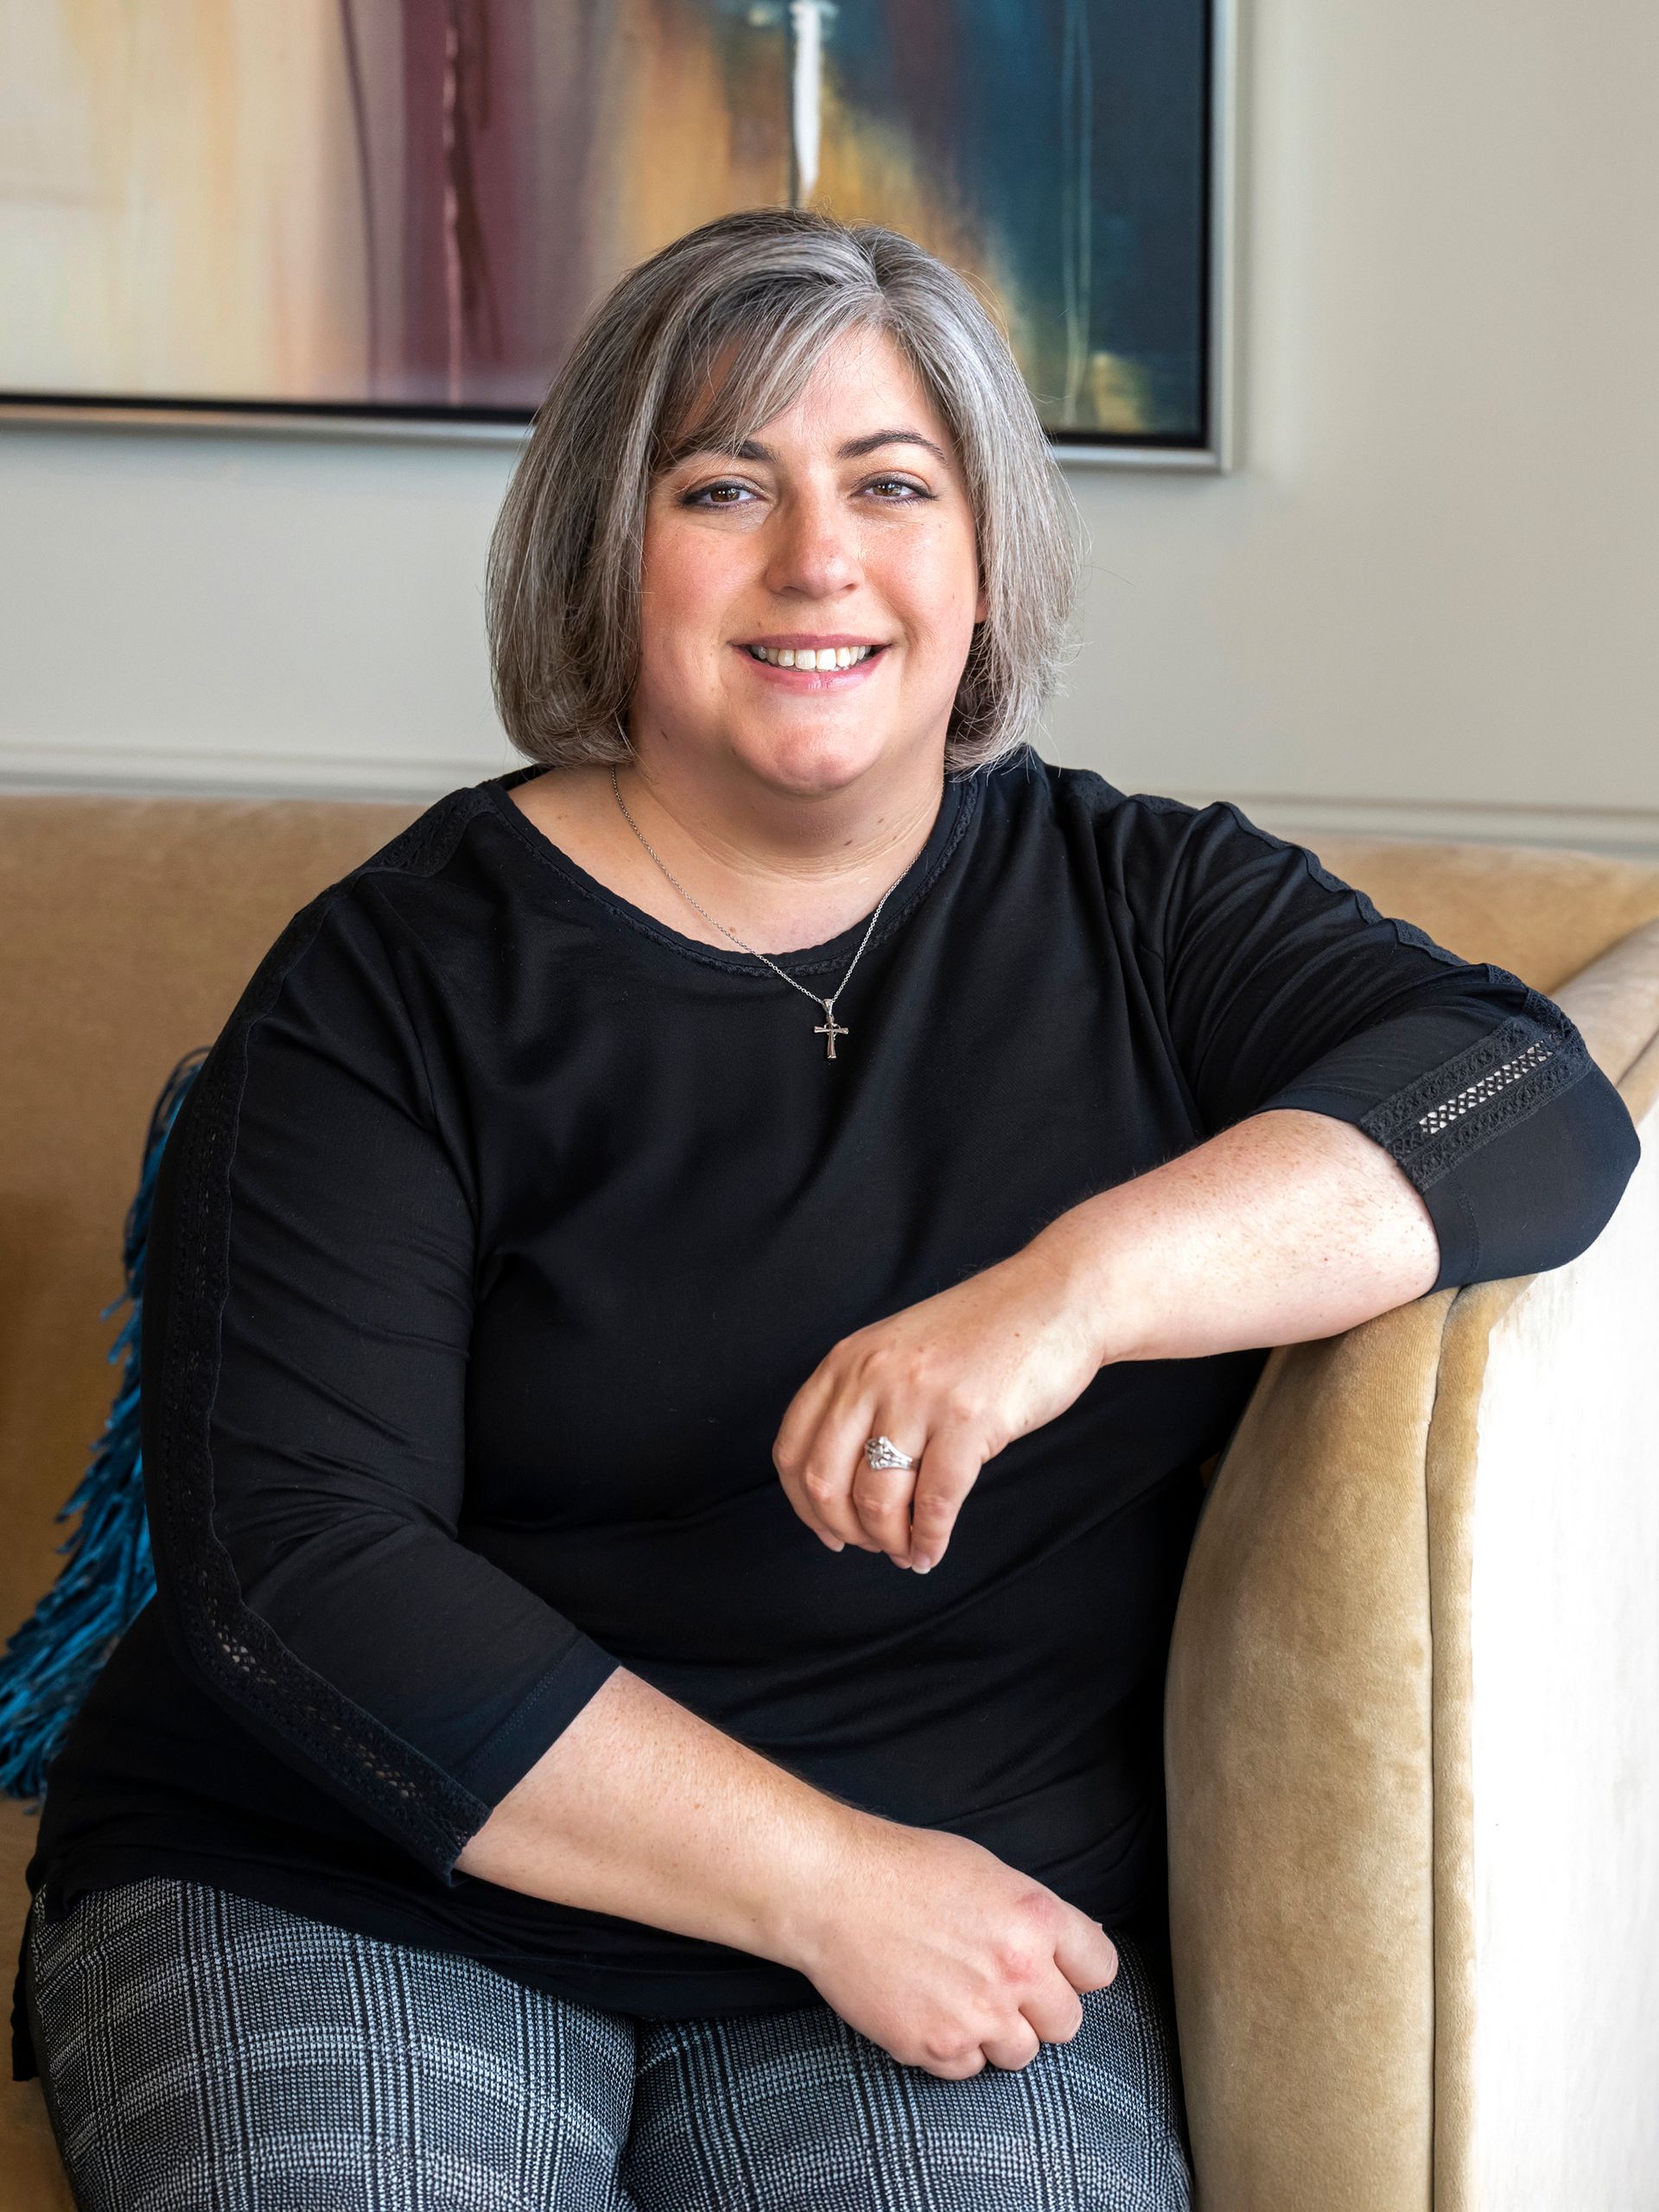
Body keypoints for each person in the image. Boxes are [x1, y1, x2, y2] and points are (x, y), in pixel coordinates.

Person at [12, 207, 1639, 2212]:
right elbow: (299, 1567)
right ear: (610, 551)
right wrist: (822, 1878)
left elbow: (1526, 1103)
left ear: (982, 554)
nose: (819, 562)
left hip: (943, 1931)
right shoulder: (393, 983)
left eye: (892, 483)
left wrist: (1072, 1289)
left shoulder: (1145, 903)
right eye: (724, 486)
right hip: (366, 1892)